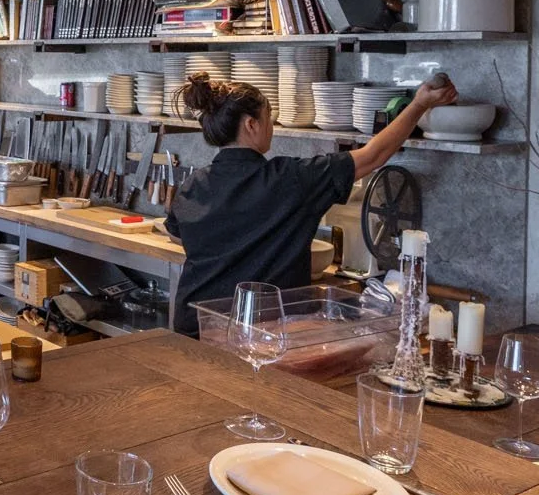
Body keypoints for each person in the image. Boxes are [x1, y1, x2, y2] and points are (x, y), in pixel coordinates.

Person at [166, 73, 457, 335]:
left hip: (194, 327)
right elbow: (373, 156)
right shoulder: (291, 179)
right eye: (268, 118)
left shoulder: (193, 184)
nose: (271, 127)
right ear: (251, 124)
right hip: (256, 335)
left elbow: (176, 234)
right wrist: (419, 104)